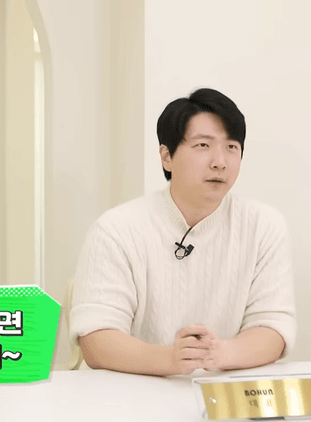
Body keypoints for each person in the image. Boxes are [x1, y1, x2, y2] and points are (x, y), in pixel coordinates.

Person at [69, 88, 296, 376]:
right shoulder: (116, 229)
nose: (220, 161)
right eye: (203, 145)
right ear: (167, 156)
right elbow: (96, 340)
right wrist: (169, 359)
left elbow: (274, 328)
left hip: (219, 392)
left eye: (231, 147)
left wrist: (218, 353)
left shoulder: (264, 226)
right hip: (129, 391)